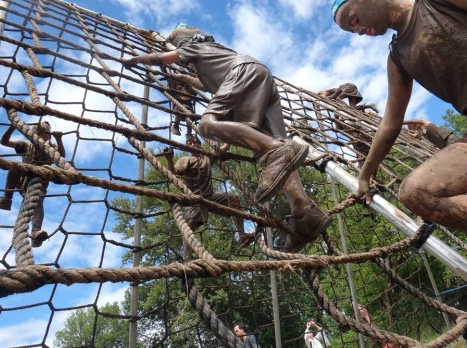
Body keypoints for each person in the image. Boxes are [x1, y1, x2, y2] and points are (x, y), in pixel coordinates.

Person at [122, 24, 331, 252]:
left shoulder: (194, 47)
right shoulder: (217, 54)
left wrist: (135, 60)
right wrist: (185, 77)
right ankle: (305, 213)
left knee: (207, 124)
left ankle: (274, 149)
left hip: (241, 73)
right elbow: (204, 83)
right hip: (262, 76)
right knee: (278, 155)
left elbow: (163, 59)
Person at [332, 0, 467, 239]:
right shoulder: (397, 58)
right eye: (352, 31)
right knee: (416, 192)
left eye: (354, 20)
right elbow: (390, 125)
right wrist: (365, 174)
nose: (357, 31)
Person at [163, 136, 254, 259]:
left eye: (194, 142)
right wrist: (169, 159)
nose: (191, 144)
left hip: (210, 195)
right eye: (188, 143)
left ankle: (242, 235)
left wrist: (230, 136)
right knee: (189, 225)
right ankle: (188, 257)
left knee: (234, 199)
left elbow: (224, 147)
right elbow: (173, 174)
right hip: (193, 198)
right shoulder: (185, 160)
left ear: (200, 145)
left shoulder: (206, 157)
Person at [0, 121, 65, 247]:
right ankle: (6, 200)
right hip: (23, 180)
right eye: (41, 133)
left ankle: (36, 233)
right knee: (14, 167)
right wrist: (11, 128)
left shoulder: (51, 149)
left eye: (46, 134)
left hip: (39, 182)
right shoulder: (26, 146)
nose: (44, 136)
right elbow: (4, 142)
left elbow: (61, 158)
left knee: (37, 200)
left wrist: (59, 140)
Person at [318, 83, 378, 168]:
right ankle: (369, 105)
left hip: (349, 87)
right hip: (351, 88)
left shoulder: (332, 91)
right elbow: (339, 109)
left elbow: (337, 108)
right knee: (352, 108)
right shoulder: (336, 98)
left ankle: (368, 106)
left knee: (337, 99)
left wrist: (336, 122)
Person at [167, 72, 196, 138]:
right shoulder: (174, 85)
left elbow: (194, 93)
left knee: (189, 115)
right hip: (179, 104)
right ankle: (176, 125)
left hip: (188, 105)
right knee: (181, 111)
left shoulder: (186, 86)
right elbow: (170, 87)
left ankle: (189, 133)